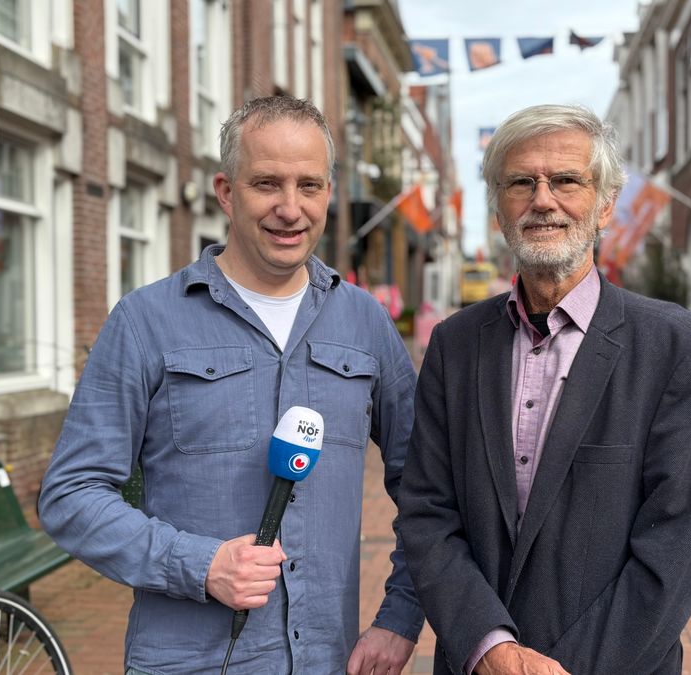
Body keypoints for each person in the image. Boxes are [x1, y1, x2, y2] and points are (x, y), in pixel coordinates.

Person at [39, 96, 422, 674]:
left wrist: (399, 618)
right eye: (267, 183)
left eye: (310, 186)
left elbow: (427, 487)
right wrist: (200, 564)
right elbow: (70, 496)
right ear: (225, 191)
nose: (290, 209)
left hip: (326, 661)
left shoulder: (365, 324)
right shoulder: (145, 322)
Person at [399, 104, 691, 675]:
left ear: (605, 205)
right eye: (521, 183)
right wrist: (492, 649)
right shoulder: (453, 346)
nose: (542, 200)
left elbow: (675, 545)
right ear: (499, 208)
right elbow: (428, 514)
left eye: (567, 180)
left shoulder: (675, 349)